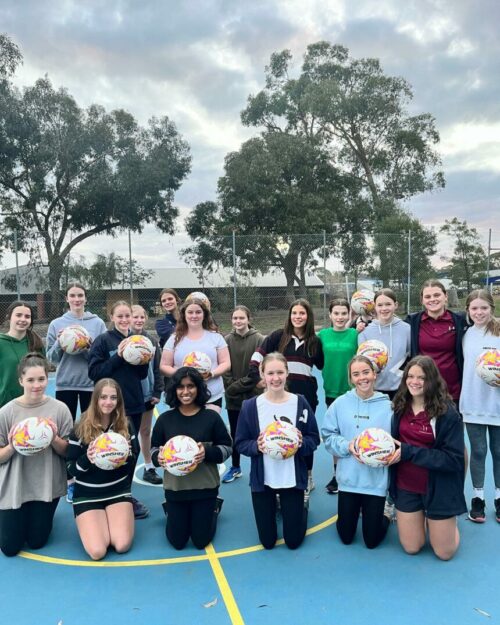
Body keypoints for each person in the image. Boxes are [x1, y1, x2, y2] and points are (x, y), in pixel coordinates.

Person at [236, 352, 320, 550]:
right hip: (263, 480)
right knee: (268, 542)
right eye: (270, 373)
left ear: (287, 373)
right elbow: (240, 443)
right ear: (262, 375)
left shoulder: (300, 402)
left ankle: (302, 507)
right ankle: (278, 507)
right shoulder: (250, 406)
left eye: (280, 372)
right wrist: (256, 446)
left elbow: (313, 439)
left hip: (292, 478)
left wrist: (300, 444)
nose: (275, 378)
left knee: (293, 542)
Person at [390, 355, 466, 560]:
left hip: (438, 486)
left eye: (421, 377)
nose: (414, 382)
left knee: (444, 553)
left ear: (432, 380)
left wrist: (409, 452)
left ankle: (448, 523)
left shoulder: (447, 413)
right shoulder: (400, 406)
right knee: (412, 547)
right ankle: (426, 520)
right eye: (410, 376)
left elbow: (454, 460)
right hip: (407, 484)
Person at [248, 299, 323, 497]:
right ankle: (275, 483)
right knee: (277, 438)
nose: (298, 317)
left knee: (303, 438)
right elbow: (257, 358)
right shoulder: (277, 337)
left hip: (305, 397)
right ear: (289, 316)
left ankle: (306, 477)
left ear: (308, 316)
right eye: (294, 313)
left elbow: (322, 364)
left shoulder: (315, 341)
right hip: (277, 398)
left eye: (302, 313)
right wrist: (258, 378)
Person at [151, 367, 232, 550]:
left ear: (199, 388)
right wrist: (159, 458)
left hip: (205, 489)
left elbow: (227, 448)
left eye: (191, 386)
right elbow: (154, 449)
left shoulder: (211, 417)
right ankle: (170, 509)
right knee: (177, 542)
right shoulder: (165, 420)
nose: (185, 392)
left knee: (200, 541)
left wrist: (207, 452)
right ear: (174, 390)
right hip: (176, 489)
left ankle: (214, 507)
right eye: (180, 387)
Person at [0, 353, 72, 557]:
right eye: (30, 380)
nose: (36, 385)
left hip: (45, 485)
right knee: (10, 548)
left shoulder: (59, 409)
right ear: (21, 380)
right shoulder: (6, 413)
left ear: (48, 378)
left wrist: (53, 438)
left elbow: (68, 452)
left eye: (41, 379)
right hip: (15, 485)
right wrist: (14, 445)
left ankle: (41, 515)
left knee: (37, 542)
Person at [321, 355, 393, 549]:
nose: (362, 378)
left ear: (374, 374)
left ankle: (386, 512)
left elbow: (397, 441)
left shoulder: (389, 406)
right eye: (356, 374)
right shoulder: (340, 404)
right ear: (351, 379)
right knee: (346, 536)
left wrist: (388, 452)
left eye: (366, 372)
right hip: (349, 481)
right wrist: (346, 446)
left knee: (372, 541)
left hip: (375, 481)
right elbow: (327, 436)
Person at [88, 300, 150, 519]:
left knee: (130, 452)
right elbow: (95, 373)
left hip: (133, 403)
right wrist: (119, 356)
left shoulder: (137, 341)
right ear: (111, 317)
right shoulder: (103, 341)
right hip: (109, 407)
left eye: (128, 316)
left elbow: (141, 375)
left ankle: (125, 494)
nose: (125, 320)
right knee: (111, 450)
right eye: (120, 316)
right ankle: (106, 493)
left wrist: (142, 358)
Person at [66, 379, 137, 560]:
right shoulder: (80, 427)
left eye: (113, 398)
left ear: (119, 401)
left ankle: (114, 519)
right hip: (87, 495)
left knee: (121, 545)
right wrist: (88, 459)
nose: (108, 402)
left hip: (117, 491)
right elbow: (70, 469)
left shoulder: (126, 426)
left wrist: (126, 456)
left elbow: (132, 463)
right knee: (98, 552)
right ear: (95, 399)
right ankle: (92, 522)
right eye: (103, 397)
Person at [459, 290, 500, 523]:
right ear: (468, 311)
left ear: (491, 309)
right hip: (473, 402)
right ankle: (478, 498)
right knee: (478, 452)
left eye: (483, 308)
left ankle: (499, 497)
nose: (479, 312)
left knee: (499, 452)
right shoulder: (465, 335)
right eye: (474, 308)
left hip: (497, 403)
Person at [46, 282, 107, 419]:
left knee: (92, 427)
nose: (76, 299)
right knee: (66, 427)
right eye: (72, 295)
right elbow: (51, 358)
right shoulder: (56, 324)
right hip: (65, 384)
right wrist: (59, 342)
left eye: (80, 295)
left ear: (86, 298)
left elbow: (104, 357)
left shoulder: (98, 323)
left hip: (91, 384)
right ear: (66, 299)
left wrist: (87, 348)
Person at [160, 298, 230, 413]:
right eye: (190, 312)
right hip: (183, 395)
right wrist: (183, 376)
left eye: (198, 312)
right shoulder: (174, 338)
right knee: (183, 431)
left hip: (211, 394)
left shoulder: (216, 337)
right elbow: (163, 366)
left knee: (207, 430)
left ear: (204, 314)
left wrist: (211, 374)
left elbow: (226, 363)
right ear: (184, 315)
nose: (194, 316)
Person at [318, 299, 359, 494]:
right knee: (336, 434)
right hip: (331, 392)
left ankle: (357, 471)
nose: (340, 317)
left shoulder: (355, 334)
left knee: (355, 431)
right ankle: (337, 474)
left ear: (349, 315)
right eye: (337, 313)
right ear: (330, 315)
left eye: (344, 313)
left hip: (354, 391)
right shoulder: (322, 335)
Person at [406, 280, 467, 406]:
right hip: (422, 390)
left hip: (452, 391)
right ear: (422, 300)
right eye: (427, 297)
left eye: (437, 295)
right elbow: (388, 325)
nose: (432, 299)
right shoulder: (412, 322)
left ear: (445, 296)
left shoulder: (460, 321)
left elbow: (483, 321)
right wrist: (358, 323)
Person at [222, 306, 265, 484]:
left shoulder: (260, 340)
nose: (238, 321)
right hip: (233, 397)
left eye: (241, 318)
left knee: (258, 433)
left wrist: (240, 386)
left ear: (249, 319)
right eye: (235, 318)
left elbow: (259, 370)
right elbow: (225, 368)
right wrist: (231, 386)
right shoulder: (226, 340)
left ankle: (260, 466)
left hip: (253, 395)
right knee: (236, 433)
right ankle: (236, 466)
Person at [131, 305, 163, 485]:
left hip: (147, 394)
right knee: (128, 433)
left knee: (145, 431)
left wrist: (157, 391)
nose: (139, 320)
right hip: (128, 397)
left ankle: (149, 466)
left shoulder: (151, 341)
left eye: (142, 317)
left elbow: (157, 368)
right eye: (135, 317)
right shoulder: (124, 340)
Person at [358, 288, 411, 400]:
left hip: (401, 389)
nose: (384, 308)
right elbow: (363, 362)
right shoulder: (365, 332)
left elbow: (411, 357)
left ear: (395, 305)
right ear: (375, 306)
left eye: (388, 304)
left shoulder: (407, 329)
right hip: (374, 389)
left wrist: (402, 375)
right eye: (380, 305)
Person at [0, 301, 45, 409]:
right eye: (18, 315)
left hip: (32, 405)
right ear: (9, 317)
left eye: (27, 316)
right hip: (4, 405)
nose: (23, 319)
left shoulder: (36, 343)